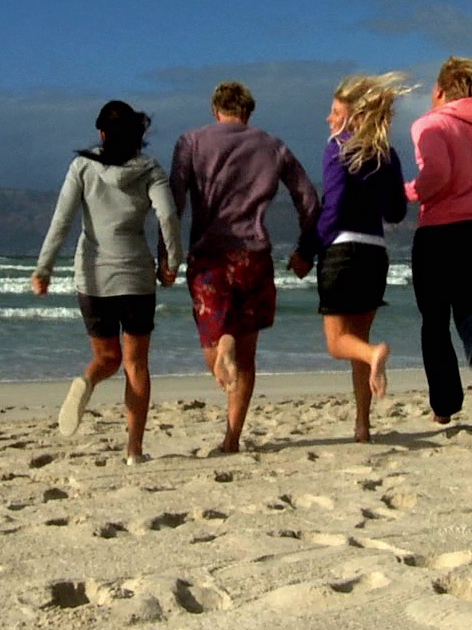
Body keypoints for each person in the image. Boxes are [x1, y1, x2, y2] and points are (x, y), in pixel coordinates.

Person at [168, 80, 321, 453]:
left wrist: (166, 254)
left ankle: (224, 344)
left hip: (209, 256)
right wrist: (305, 250)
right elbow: (309, 199)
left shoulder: (190, 142)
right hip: (253, 256)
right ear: (249, 113)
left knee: (213, 341)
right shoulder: (272, 145)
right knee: (248, 358)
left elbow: (174, 202)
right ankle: (232, 438)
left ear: (214, 109)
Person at [32, 100, 181, 464]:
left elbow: (62, 220)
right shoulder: (149, 169)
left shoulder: (82, 166)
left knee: (106, 357)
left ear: (101, 133)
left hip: (93, 276)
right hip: (134, 276)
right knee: (136, 365)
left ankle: (87, 379)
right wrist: (172, 262)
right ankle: (134, 450)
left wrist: (43, 269)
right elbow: (168, 215)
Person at [406, 55, 472, 423]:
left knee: (433, 322)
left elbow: (436, 172)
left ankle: (446, 405)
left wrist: (410, 192)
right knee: (469, 310)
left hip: (437, 232)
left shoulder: (429, 124)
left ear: (439, 90)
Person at [316, 72, 409, 442]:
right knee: (357, 343)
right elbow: (398, 211)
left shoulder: (337, 145)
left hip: (342, 249)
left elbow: (333, 205)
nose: (329, 117)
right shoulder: (387, 152)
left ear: (353, 115)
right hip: (375, 252)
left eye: (335, 110)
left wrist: (316, 244)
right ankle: (362, 426)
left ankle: (375, 354)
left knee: (339, 342)